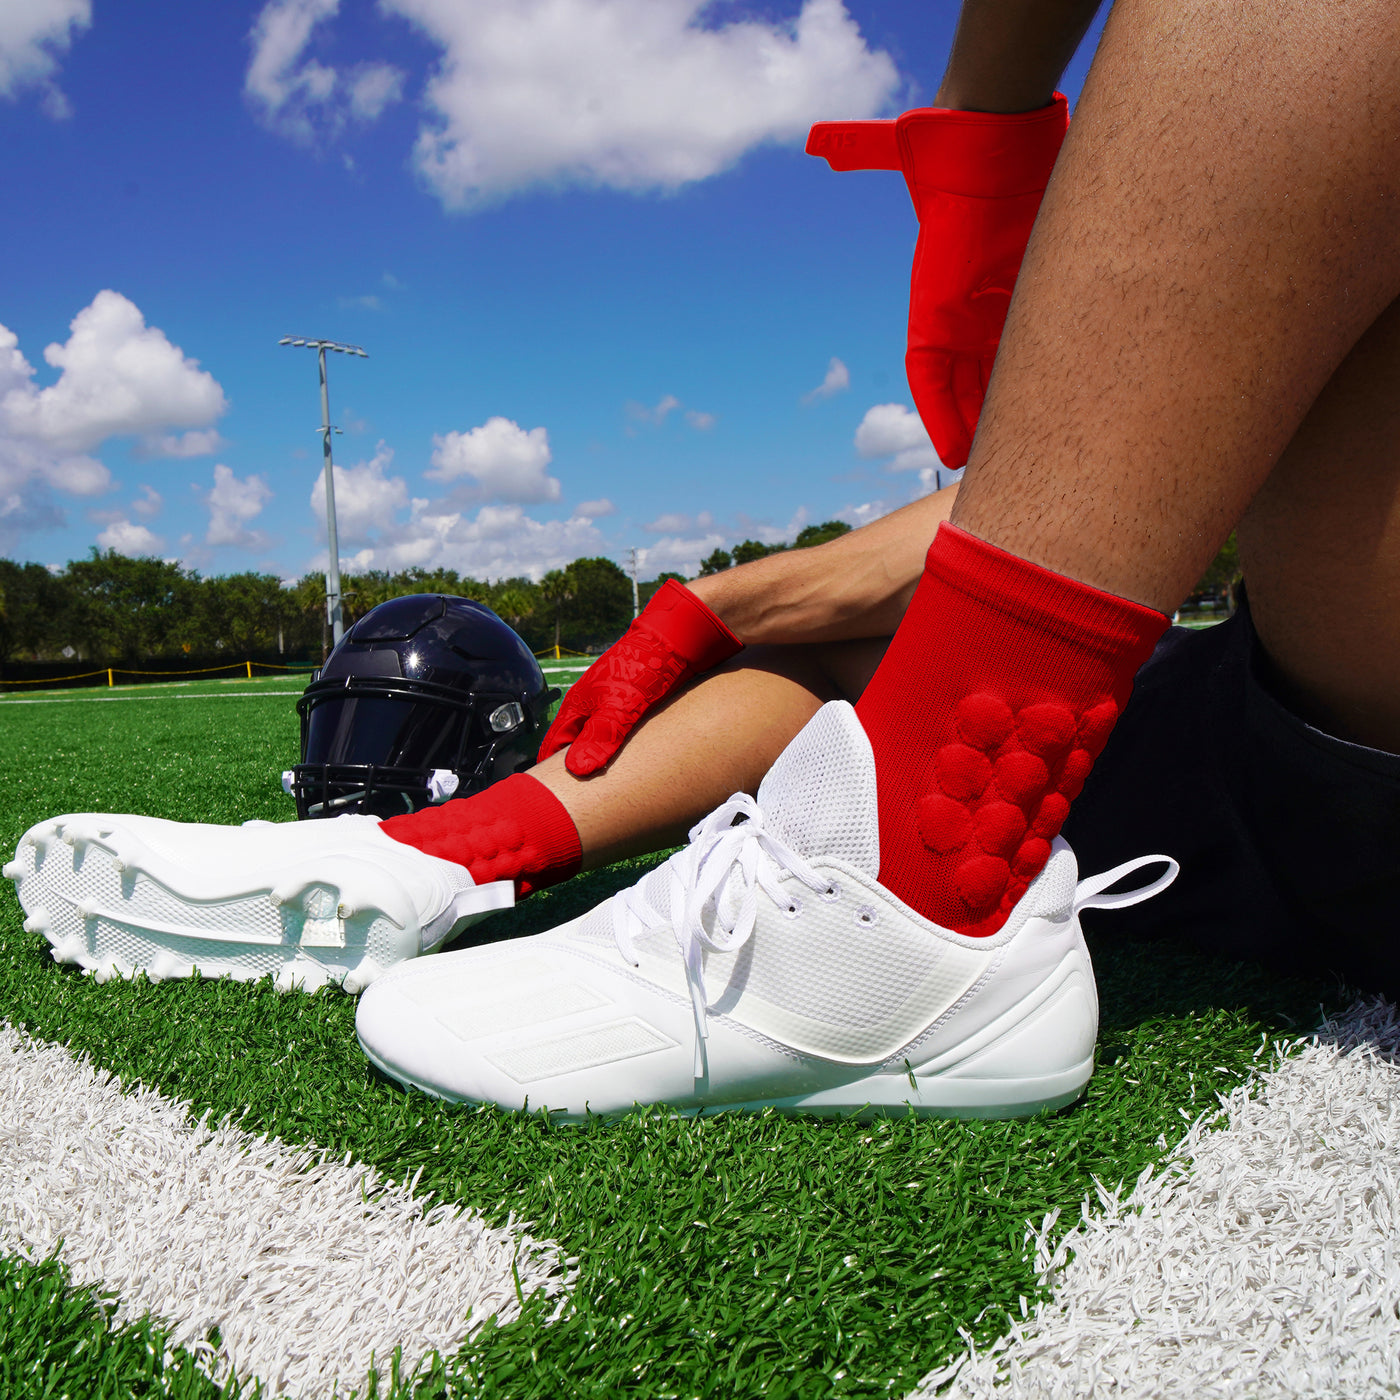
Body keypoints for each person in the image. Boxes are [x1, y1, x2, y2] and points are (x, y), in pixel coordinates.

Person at [14, 0, 1400, 1115]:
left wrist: (982, 165)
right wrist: (732, 606)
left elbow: (1176, 478)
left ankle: (920, 911)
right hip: (1266, 717)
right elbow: (1073, 524)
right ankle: (439, 854)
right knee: (854, 656)